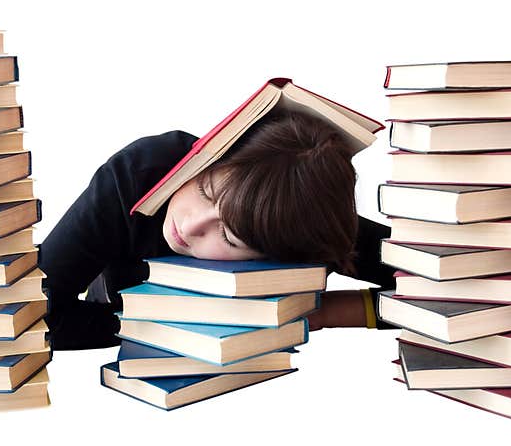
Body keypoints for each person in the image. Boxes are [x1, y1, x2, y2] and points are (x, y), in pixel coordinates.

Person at [37, 110, 396, 351]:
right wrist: (170, 328)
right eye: (205, 190)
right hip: (116, 313)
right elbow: (38, 313)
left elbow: (440, 288)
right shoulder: (142, 173)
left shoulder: (305, 238)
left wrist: (328, 314)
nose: (189, 225)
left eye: (229, 236)